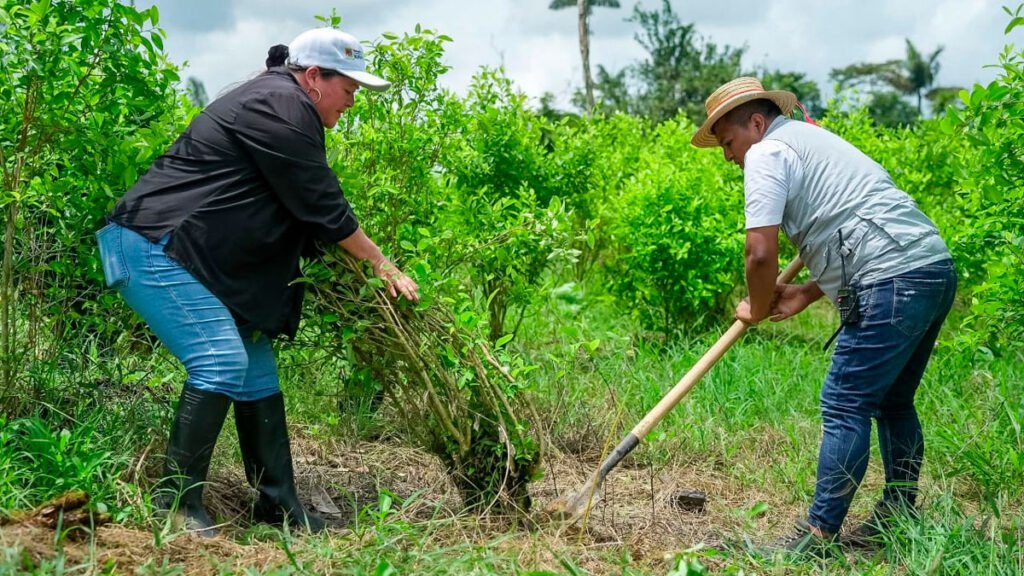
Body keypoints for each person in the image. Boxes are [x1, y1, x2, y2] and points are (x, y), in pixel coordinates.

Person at [96, 27, 419, 537]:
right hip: (152, 245)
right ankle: (176, 506)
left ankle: (277, 505)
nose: (352, 103)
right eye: (349, 88)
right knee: (220, 359)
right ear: (314, 77)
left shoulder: (282, 102)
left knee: (255, 370)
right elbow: (320, 201)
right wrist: (383, 265)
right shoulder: (280, 102)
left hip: (187, 254)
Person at [691, 77, 957, 556]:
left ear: (756, 122)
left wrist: (755, 305)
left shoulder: (768, 154)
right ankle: (899, 516)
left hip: (890, 278)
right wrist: (809, 293)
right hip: (930, 269)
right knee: (893, 402)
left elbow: (759, 253)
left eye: (728, 142)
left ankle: (817, 536)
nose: (729, 156)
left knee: (844, 402)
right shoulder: (814, 141)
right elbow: (852, 217)